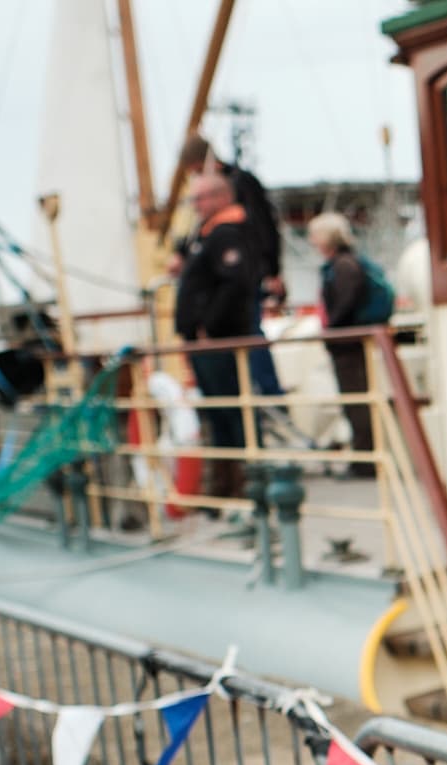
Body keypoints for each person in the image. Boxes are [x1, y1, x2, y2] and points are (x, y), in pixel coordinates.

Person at [175, 170, 260, 499]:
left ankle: (250, 485)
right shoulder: (208, 234)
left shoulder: (228, 233)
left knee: (232, 412)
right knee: (219, 414)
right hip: (206, 342)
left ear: (221, 197)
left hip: (218, 342)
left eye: (200, 198)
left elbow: (235, 284)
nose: (195, 206)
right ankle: (226, 488)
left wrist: (209, 327)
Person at [179, 133, 285, 396]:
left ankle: (268, 395)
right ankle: (255, 396)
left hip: (245, 275)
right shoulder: (222, 193)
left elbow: (264, 227)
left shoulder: (239, 184)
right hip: (226, 281)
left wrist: (272, 270)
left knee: (249, 333)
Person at [308, 212, 389, 480]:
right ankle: (364, 458)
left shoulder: (343, 266)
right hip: (349, 344)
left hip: (349, 345)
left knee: (358, 403)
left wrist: (330, 330)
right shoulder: (346, 263)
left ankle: (366, 462)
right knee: (356, 401)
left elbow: (344, 303)